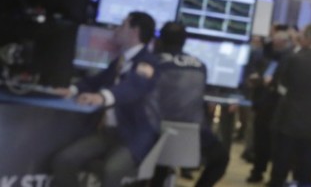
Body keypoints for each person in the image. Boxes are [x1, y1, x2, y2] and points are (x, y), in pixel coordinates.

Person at [49, 12, 162, 187]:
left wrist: (102, 97)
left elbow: (133, 87)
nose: (116, 29)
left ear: (135, 31)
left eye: (123, 25)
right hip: (108, 134)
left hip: (134, 135)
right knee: (64, 160)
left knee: (111, 170)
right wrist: (72, 89)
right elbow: (96, 80)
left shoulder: (148, 63)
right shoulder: (121, 61)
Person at [152, 21, 230, 187]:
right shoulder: (199, 66)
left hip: (157, 133)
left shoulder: (151, 63)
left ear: (160, 39)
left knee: (159, 162)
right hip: (192, 135)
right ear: (185, 41)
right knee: (221, 159)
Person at [267, 24, 311, 187]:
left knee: (280, 167)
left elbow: (282, 86)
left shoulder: (295, 59)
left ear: (308, 38)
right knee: (306, 172)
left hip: (289, 122)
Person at [247, 25, 293, 184]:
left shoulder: (289, 59)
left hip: (278, 107)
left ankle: (274, 176)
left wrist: (271, 84)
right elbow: (254, 74)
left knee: (276, 144)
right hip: (262, 103)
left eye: (279, 43)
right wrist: (261, 81)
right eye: (274, 42)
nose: (276, 45)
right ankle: (257, 170)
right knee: (260, 140)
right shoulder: (263, 55)